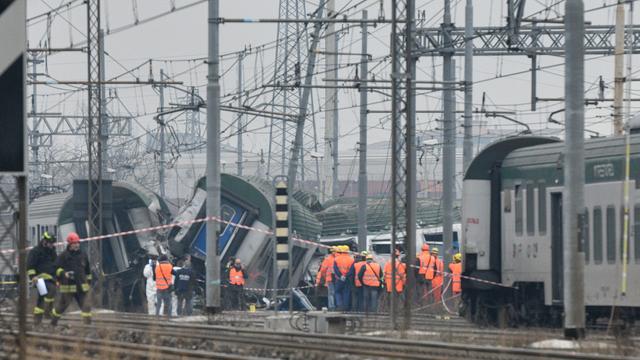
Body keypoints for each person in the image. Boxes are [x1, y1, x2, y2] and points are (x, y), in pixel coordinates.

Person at [51, 232, 92, 325]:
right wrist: (63, 273)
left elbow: (88, 271)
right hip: (68, 287)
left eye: (78, 243)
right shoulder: (63, 256)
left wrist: (89, 283)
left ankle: (87, 325)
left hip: (81, 287)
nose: (77, 245)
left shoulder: (83, 255)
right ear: (70, 244)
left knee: (86, 307)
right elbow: (55, 268)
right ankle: (53, 322)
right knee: (61, 306)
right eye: (74, 243)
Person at [27, 231, 58, 324]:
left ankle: (38, 319)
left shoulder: (52, 252)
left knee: (43, 297)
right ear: (44, 241)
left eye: (53, 243)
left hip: (51, 278)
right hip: (39, 279)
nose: (52, 245)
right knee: (50, 290)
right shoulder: (35, 252)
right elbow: (30, 266)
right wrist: (33, 277)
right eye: (50, 243)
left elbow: (56, 264)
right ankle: (46, 312)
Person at [332, 245, 354, 311]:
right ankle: (345, 307)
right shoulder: (351, 259)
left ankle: (339, 305)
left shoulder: (336, 259)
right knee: (346, 292)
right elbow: (351, 270)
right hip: (347, 279)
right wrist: (346, 276)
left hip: (339, 279)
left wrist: (341, 276)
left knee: (337, 292)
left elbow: (336, 269)